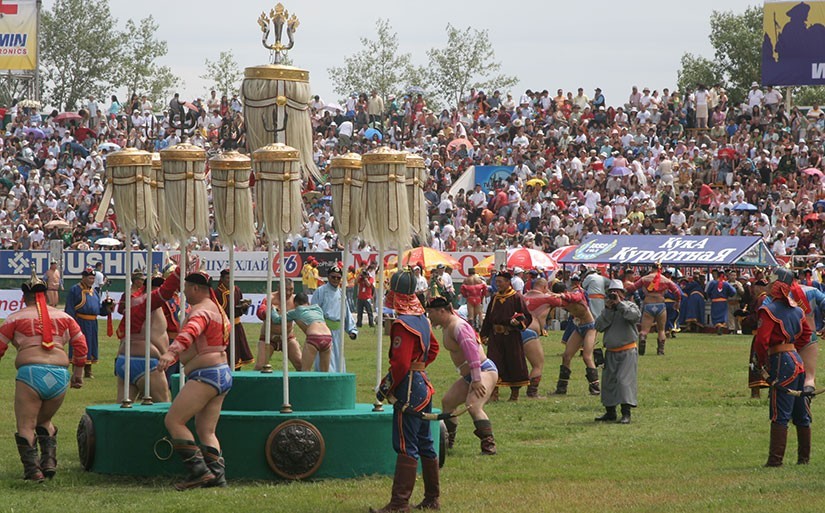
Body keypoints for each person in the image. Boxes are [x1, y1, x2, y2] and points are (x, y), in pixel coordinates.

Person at [0, 272, 87, 482]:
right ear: (46, 295)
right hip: (59, 375)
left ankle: (33, 471)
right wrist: (78, 373)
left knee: (26, 424)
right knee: (44, 420)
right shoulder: (65, 317)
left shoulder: (15, 318)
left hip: (31, 373)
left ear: (24, 297)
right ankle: (48, 462)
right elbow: (81, 344)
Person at [372, 268, 440, 513]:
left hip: (409, 388)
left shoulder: (402, 324)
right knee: (425, 442)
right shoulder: (422, 319)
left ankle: (400, 503)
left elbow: (400, 364)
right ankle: (432, 498)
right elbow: (433, 349)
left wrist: (386, 387)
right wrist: (419, 367)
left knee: (406, 444)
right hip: (423, 383)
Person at [157, 269, 232, 490]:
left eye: (186, 288)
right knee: (206, 430)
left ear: (196, 288)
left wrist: (171, 352)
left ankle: (199, 472)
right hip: (222, 373)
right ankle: (218, 477)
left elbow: (190, 331)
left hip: (206, 375)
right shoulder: (217, 309)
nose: (184, 292)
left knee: (174, 421)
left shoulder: (201, 310)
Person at [752, 268, 812, 467]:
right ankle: (804, 459)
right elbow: (806, 334)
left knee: (780, 412)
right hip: (797, 360)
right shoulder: (797, 310)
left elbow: (762, 341)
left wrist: (762, 363)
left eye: (771, 282)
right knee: (800, 412)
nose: (768, 285)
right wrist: (793, 349)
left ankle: (775, 460)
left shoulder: (768, 310)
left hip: (781, 361)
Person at [427, 295, 498, 455]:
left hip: (483, 370)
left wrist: (477, 379)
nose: (429, 316)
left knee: (473, 405)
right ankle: (448, 442)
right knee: (448, 402)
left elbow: (472, 352)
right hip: (470, 375)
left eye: (431, 312)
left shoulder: (458, 326)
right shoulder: (448, 324)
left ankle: (489, 446)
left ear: (441, 311)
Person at [114, 267, 182, 403]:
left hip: (125, 359)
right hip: (146, 360)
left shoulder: (134, 302)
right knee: (163, 407)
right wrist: (180, 269)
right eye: (156, 286)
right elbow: (166, 290)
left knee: (122, 408)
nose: (158, 289)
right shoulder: (149, 301)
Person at [479, 269, 532, 401]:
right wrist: (484, 335)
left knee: (514, 363)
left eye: (500, 282)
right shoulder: (495, 298)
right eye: (496, 282)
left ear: (508, 282)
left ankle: (514, 394)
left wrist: (518, 322)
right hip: (496, 337)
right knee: (494, 362)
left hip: (511, 337)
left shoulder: (516, 297)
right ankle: (494, 393)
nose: (498, 284)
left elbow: (526, 316)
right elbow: (488, 318)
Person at [542, 279, 601, 396]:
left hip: (590, 327)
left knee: (587, 357)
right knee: (566, 356)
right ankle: (561, 388)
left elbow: (577, 297)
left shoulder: (576, 293)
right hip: (579, 327)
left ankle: (595, 388)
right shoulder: (562, 300)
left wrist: (562, 295)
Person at [594, 280, 641, 424]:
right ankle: (610, 412)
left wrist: (620, 305)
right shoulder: (607, 310)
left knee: (624, 381)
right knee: (609, 382)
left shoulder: (630, 306)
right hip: (611, 351)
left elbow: (634, 316)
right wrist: (608, 310)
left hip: (627, 350)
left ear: (623, 293)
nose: (614, 295)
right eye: (611, 292)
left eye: (617, 292)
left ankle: (626, 413)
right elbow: (599, 326)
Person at [65, 266, 114, 378]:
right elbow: (70, 308)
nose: (91, 280)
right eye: (89, 278)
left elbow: (98, 309)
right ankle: (77, 370)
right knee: (79, 345)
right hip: (80, 322)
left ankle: (88, 370)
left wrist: (106, 305)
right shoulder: (75, 290)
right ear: (83, 278)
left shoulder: (94, 292)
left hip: (92, 323)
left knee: (91, 346)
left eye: (93, 278)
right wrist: (71, 324)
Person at [625, 264, 681, 355]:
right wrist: (677, 301)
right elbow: (677, 291)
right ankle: (660, 350)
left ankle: (642, 340)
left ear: (652, 268)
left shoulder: (645, 279)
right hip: (660, 305)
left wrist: (622, 292)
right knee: (661, 330)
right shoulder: (665, 280)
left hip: (648, 304)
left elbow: (632, 288)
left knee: (644, 330)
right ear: (660, 269)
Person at [311, 265, 357, 373]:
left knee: (338, 357)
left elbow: (346, 312)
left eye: (338, 277)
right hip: (323, 331)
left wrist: (352, 330)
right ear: (328, 277)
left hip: (338, 332)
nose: (336, 279)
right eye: (333, 277)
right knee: (325, 359)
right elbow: (313, 311)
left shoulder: (341, 293)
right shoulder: (320, 291)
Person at [274, 292, 333, 372]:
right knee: (325, 372)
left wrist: (273, 309)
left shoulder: (296, 311)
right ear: (308, 302)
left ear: (295, 304)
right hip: (328, 337)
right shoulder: (318, 309)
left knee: (305, 370)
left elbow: (277, 320)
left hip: (314, 337)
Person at [255, 280, 303, 371]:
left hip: (287, 338)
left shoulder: (295, 300)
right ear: (278, 288)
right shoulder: (270, 298)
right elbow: (260, 313)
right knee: (260, 366)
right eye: (285, 289)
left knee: (301, 364)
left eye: (291, 289)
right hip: (268, 338)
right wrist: (267, 312)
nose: (288, 293)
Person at [216, 269, 254, 369]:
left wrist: (244, 307)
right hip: (225, 328)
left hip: (237, 327)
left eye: (231, 278)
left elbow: (241, 309)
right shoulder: (218, 292)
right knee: (227, 353)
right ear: (222, 279)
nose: (230, 280)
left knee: (238, 352)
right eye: (227, 278)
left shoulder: (236, 290)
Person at [522, 277, 553, 398]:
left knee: (510, 364)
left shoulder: (523, 296)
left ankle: (495, 392)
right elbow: (566, 300)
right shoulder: (546, 298)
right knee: (537, 365)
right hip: (530, 332)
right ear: (545, 287)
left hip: (515, 330)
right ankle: (532, 392)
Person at [705, 270, 737, 335]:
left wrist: (711, 297)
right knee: (723, 316)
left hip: (715, 302)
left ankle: (718, 326)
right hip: (723, 302)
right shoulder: (726, 284)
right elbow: (733, 292)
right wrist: (728, 294)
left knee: (715, 316)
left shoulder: (713, 283)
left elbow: (708, 292)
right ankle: (721, 326)